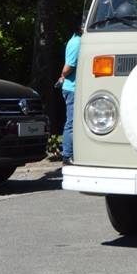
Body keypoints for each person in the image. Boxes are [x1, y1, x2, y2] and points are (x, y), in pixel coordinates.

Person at [56, 20, 82, 165]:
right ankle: (67, 156)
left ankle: (71, 154)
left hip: (73, 88)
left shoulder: (77, 41)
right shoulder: (77, 43)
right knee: (71, 123)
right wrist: (63, 75)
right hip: (72, 89)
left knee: (74, 123)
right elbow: (68, 67)